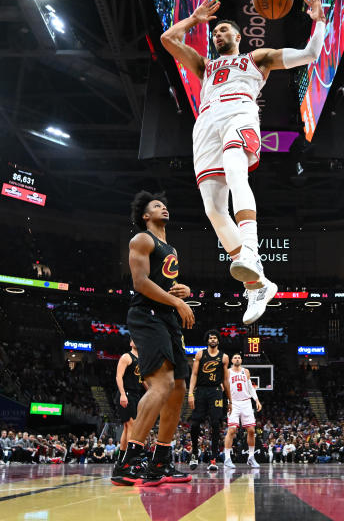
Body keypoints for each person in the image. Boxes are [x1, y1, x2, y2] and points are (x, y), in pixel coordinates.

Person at [159, 0, 328, 325]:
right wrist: (195, 19)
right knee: (212, 208)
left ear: (238, 36)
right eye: (214, 32)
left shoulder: (257, 58)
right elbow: (168, 38)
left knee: (237, 172)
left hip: (240, 111)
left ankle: (249, 248)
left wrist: (319, 20)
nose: (217, 34)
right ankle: (258, 283)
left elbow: (310, 53)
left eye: (223, 31)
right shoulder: (204, 66)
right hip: (205, 123)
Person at [110, 192, 195, 486]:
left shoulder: (170, 247)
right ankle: (127, 461)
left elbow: (163, 284)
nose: (164, 207)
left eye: (165, 204)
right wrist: (178, 303)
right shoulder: (142, 240)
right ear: (146, 216)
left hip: (167, 317)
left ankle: (160, 463)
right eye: (157, 206)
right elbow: (141, 282)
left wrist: (179, 291)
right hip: (147, 315)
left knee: (178, 388)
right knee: (162, 384)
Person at [188, 329, 229, 471]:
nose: (213, 340)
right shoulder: (200, 354)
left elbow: (226, 380)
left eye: (215, 338)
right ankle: (194, 454)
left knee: (216, 424)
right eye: (210, 338)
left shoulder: (224, 357)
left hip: (216, 391)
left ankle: (213, 459)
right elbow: (193, 374)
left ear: (218, 340)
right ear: (207, 340)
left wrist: (229, 400)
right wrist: (190, 393)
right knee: (194, 424)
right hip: (201, 390)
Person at [222, 352, 262, 468]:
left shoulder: (246, 371)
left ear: (241, 360)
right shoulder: (228, 372)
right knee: (232, 430)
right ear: (231, 360)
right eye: (235, 357)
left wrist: (257, 400)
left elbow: (250, 387)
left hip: (246, 402)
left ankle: (251, 457)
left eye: (239, 357)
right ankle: (227, 459)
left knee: (251, 431)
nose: (237, 359)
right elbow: (222, 385)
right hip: (233, 402)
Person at [114, 338, 145, 465]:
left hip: (136, 394)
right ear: (131, 343)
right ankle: (130, 458)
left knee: (127, 428)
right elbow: (118, 376)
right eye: (134, 339)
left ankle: (122, 458)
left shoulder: (142, 359)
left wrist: (152, 392)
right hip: (126, 393)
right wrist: (122, 394)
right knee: (131, 425)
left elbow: (143, 380)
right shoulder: (126, 357)